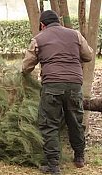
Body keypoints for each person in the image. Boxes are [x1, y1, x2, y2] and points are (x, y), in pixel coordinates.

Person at [22, 10, 93, 174]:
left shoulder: (38, 39)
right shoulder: (75, 35)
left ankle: (53, 165)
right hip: (75, 84)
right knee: (75, 121)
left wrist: (25, 76)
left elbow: (26, 66)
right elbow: (88, 55)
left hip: (52, 85)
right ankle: (79, 157)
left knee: (49, 124)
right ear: (59, 22)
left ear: (42, 25)